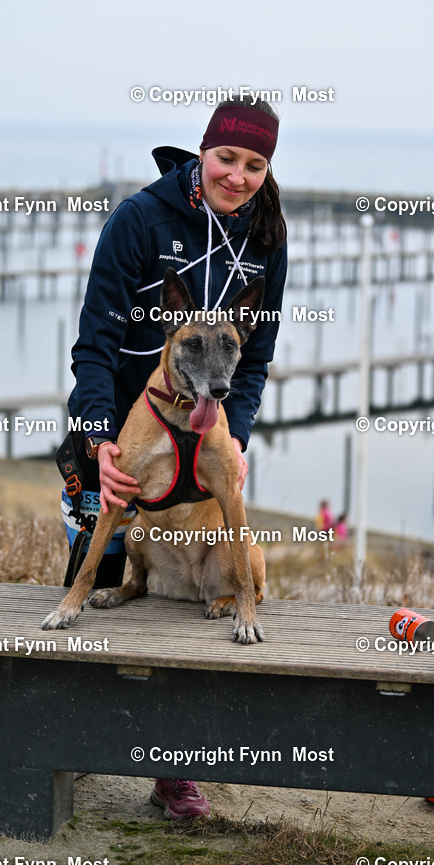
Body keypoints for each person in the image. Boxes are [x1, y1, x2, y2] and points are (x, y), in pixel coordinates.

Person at [58, 96, 287, 820]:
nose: (238, 175)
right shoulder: (140, 220)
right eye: (227, 158)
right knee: (89, 579)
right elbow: (94, 340)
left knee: (191, 611)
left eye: (255, 164)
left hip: (206, 426)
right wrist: (99, 440)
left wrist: (238, 435)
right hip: (122, 427)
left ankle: (172, 770)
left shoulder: (265, 239)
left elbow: (254, 362)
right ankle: (65, 746)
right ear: (201, 151)